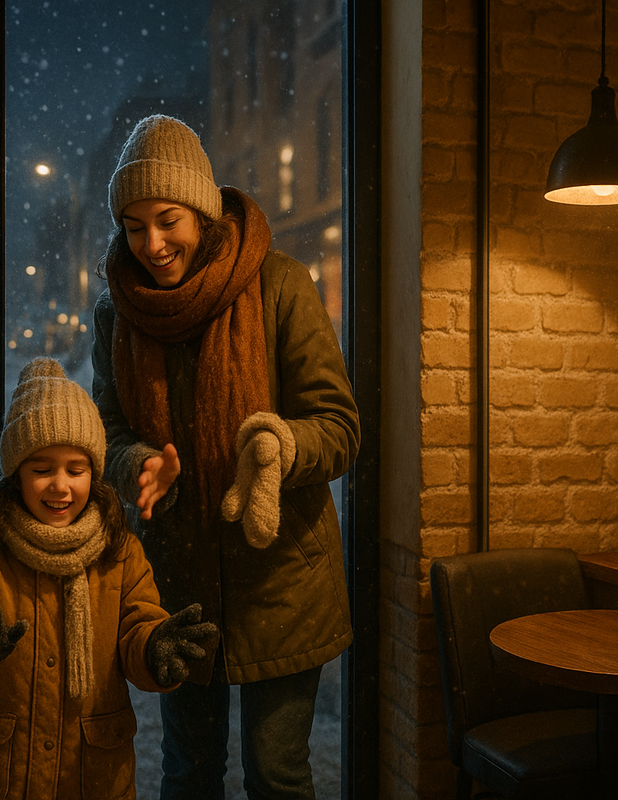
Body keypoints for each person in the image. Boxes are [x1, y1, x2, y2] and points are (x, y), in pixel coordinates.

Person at [91, 114, 362, 799]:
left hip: (285, 578)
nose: (150, 244)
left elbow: (339, 425)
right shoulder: (117, 312)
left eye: (168, 219)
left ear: (204, 212)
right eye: (133, 225)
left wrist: (281, 447)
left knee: (277, 775)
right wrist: (134, 466)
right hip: (178, 577)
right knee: (188, 773)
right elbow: (110, 428)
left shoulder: (279, 284)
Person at [0, 357, 218, 800]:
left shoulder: (118, 548)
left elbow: (138, 623)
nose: (60, 485)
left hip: (92, 769)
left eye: (75, 470)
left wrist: (154, 647)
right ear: (17, 473)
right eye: (42, 470)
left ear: (94, 474)